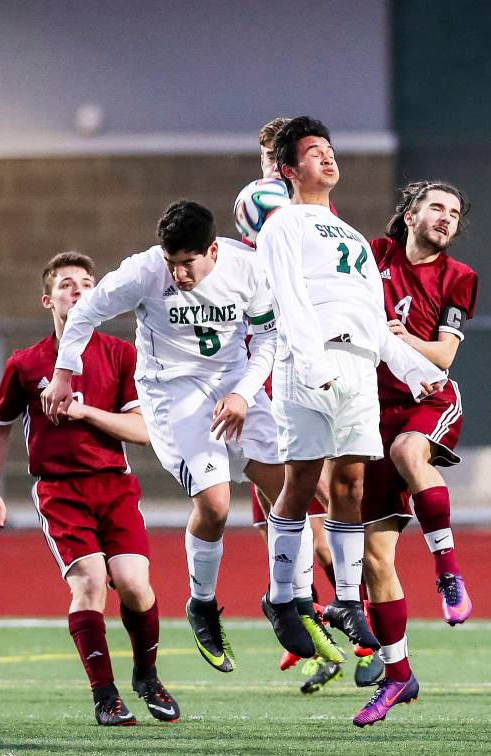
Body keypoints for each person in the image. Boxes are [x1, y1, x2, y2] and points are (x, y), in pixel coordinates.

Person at [39, 201, 343, 673]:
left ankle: (290, 600)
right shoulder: (144, 271)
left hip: (234, 383)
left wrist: (243, 393)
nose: (178, 274)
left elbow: (267, 338)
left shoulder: (247, 268)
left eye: (188, 263)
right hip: (172, 392)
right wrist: (64, 373)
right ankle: (202, 604)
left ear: (213, 251)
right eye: (171, 262)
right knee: (216, 504)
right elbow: (84, 315)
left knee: (290, 491)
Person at [255, 116, 447, 667]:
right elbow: (289, 300)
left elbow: (373, 318)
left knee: (351, 485)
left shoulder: (354, 237)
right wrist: (310, 362)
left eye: (329, 149)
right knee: (299, 482)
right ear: (289, 169)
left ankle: (343, 600)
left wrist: (411, 367)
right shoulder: (282, 226)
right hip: (310, 362)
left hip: (359, 366)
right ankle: (283, 597)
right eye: (313, 152)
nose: (327, 157)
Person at [0, 252, 177, 726]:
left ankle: (147, 676)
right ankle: (105, 696)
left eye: (87, 284)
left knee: (134, 585)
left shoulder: (121, 354)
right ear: (48, 300)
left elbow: (143, 430)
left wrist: (85, 412)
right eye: (67, 284)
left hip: (115, 487)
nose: (78, 291)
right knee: (89, 582)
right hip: (61, 492)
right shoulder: (26, 363)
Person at [352, 180, 477, 726]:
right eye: (437, 208)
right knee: (375, 558)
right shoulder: (371, 255)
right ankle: (398, 674)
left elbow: (444, 356)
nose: (447, 218)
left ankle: (448, 570)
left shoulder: (458, 276)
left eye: (455, 212)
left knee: (409, 449)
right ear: (409, 214)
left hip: (428, 398)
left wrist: (400, 339)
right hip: (369, 413)